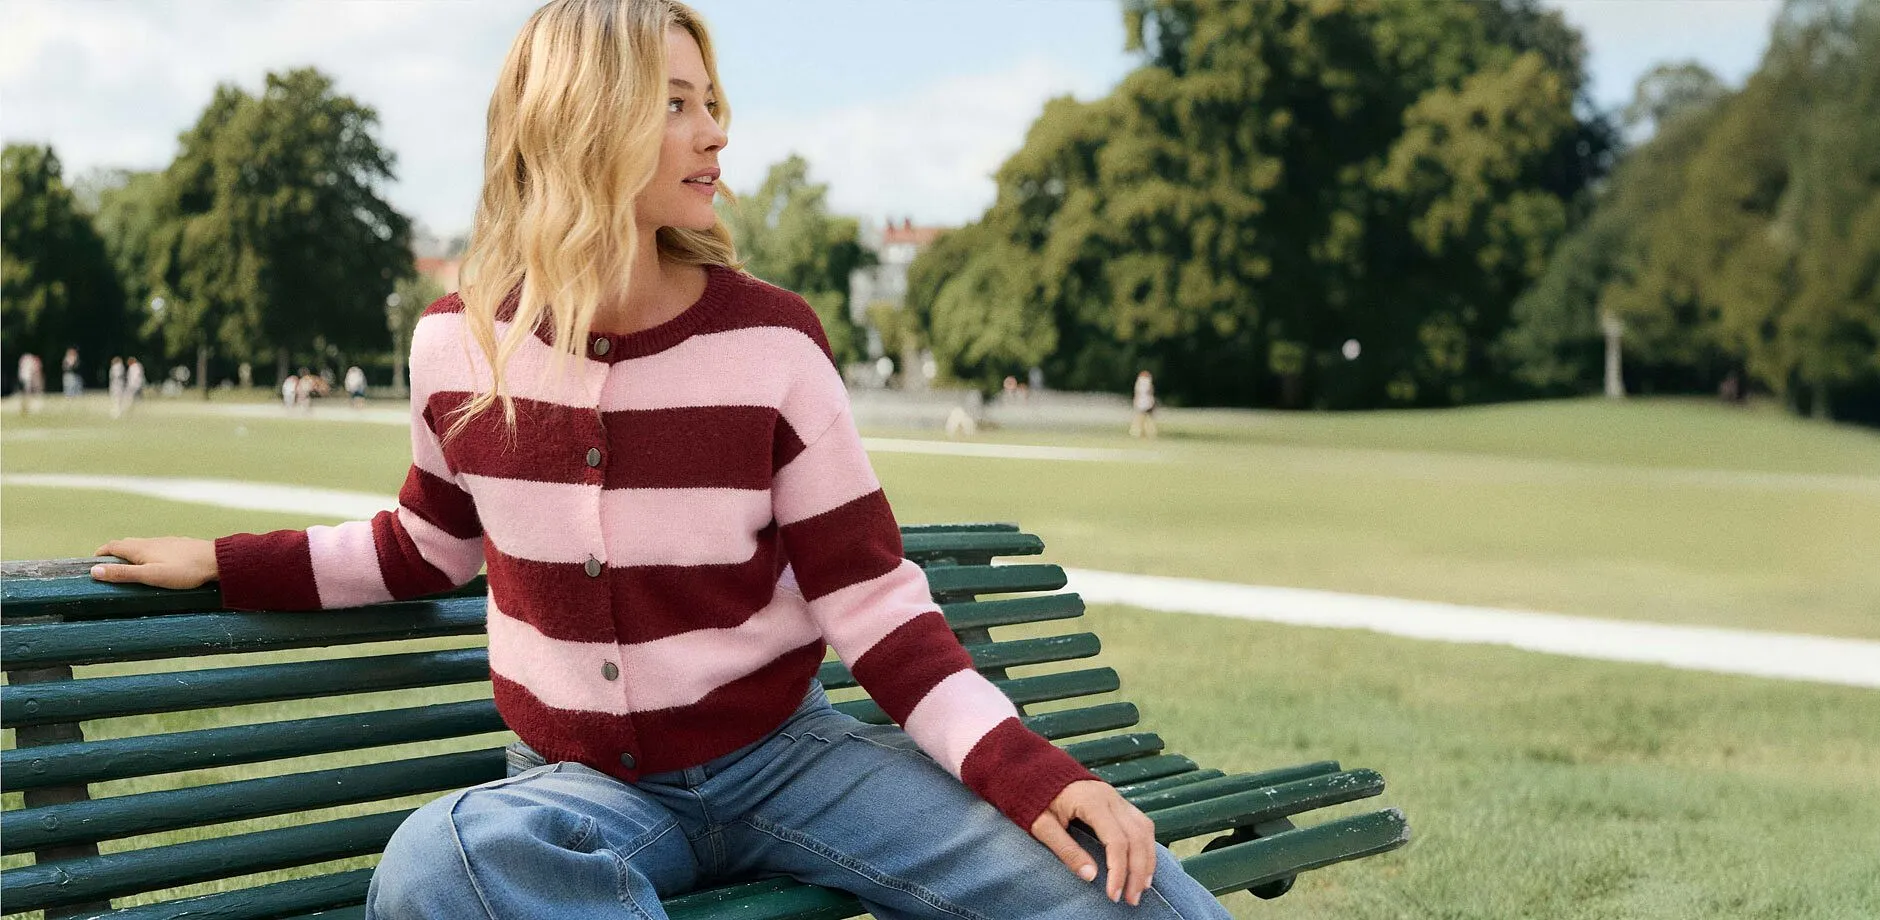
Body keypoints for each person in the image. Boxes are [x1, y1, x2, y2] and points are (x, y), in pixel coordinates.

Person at [84, 4, 1229, 919]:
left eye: (711, 101)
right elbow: (422, 544)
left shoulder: (771, 343)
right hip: (578, 795)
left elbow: (875, 604)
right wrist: (229, 561)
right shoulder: (456, 344)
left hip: (792, 760)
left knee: (1099, 877)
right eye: (674, 103)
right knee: (443, 863)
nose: (714, 131)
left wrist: (1035, 773)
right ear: (581, 121)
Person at [1130, 369, 1158, 439]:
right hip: (1145, 403)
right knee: (1145, 419)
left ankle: (1140, 433)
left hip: (1143, 403)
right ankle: (1145, 433)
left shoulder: (1140, 384)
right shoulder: (1146, 383)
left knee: (1141, 419)